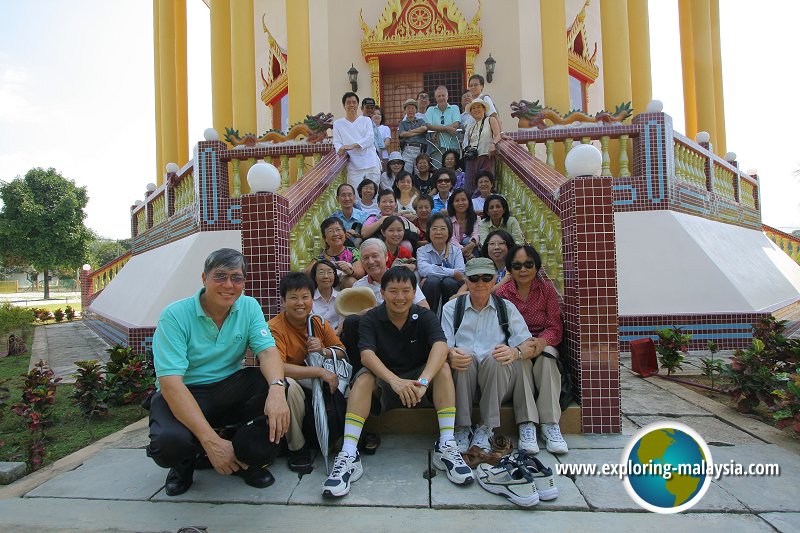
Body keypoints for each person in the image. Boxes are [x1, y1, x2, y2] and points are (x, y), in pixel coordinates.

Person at [146, 248, 290, 496]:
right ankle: (186, 463)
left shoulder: (248, 306)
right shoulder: (175, 316)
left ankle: (245, 459)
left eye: (236, 277)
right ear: (204, 279)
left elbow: (267, 352)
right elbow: (171, 384)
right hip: (185, 391)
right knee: (168, 444)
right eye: (220, 276)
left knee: (265, 383)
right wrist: (210, 440)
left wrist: (278, 389)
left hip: (227, 388)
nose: (228, 285)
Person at [322, 267, 473, 498]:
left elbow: (441, 346)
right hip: (386, 379)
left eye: (406, 291)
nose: (400, 297)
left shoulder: (424, 316)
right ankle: (349, 454)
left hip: (418, 381)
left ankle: (446, 444)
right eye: (393, 291)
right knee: (362, 379)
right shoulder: (371, 318)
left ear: (415, 293)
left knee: (442, 368)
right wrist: (394, 381)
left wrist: (423, 381)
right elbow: (366, 355)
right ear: (382, 292)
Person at [442, 257, 540, 456]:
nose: (480, 283)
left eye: (486, 278)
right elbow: (441, 344)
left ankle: (486, 428)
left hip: (497, 382)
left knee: (497, 357)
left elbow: (528, 343)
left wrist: (515, 352)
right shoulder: (451, 309)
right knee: (463, 356)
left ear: (495, 279)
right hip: (463, 380)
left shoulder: (506, 308)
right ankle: (461, 427)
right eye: (474, 278)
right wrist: (450, 354)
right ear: (466, 281)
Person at [267, 272, 347, 474]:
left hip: (318, 384)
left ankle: (339, 438)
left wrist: (323, 350)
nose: (300, 303)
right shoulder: (275, 327)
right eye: (293, 298)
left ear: (312, 299)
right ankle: (297, 447)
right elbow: (278, 366)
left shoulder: (318, 322)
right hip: (295, 383)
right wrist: (319, 371)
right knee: (289, 387)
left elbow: (342, 352)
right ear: (283, 301)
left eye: (305, 297)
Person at [495, 245, 567, 454]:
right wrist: (521, 347)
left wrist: (541, 343)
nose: (523, 270)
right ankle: (526, 424)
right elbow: (501, 327)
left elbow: (554, 325)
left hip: (544, 343)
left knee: (546, 359)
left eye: (528, 264)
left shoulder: (546, 290)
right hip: (516, 345)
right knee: (520, 362)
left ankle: (550, 424)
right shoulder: (503, 293)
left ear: (536, 266)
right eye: (517, 266)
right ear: (510, 269)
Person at [417, 212, 465, 312]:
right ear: (429, 231)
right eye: (434, 228)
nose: (438, 232)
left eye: (442, 228)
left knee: (448, 282)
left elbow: (460, 272)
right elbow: (423, 269)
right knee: (432, 281)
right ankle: (429, 318)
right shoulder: (422, 251)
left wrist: (434, 271)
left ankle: (450, 317)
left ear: (449, 231)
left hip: (451, 289)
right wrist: (452, 272)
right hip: (431, 288)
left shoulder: (456, 251)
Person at [333, 92, 382, 191]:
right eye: (348, 102)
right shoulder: (338, 124)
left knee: (372, 195)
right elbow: (337, 142)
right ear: (344, 106)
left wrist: (353, 146)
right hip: (354, 166)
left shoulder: (366, 120)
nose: (351, 105)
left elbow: (370, 139)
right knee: (355, 196)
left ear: (358, 105)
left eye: (354, 102)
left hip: (371, 163)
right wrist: (340, 149)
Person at [462, 97, 501, 197]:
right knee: (470, 185)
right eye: (473, 108)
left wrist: (493, 144)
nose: (476, 110)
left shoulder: (490, 120)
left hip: (486, 156)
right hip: (473, 159)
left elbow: (498, 135)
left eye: (478, 107)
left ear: (484, 109)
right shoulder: (471, 127)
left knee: (485, 184)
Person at [311, 217, 365, 289]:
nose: (335, 234)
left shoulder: (353, 252)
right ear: (325, 238)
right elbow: (306, 273)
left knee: (350, 281)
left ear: (345, 234)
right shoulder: (321, 258)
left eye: (338, 230)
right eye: (330, 231)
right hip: (327, 290)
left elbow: (360, 273)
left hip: (349, 291)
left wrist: (350, 271)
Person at [424, 85, 461, 153]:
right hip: (436, 147)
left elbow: (456, 124)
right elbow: (428, 126)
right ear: (435, 98)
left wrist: (437, 131)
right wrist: (446, 128)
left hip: (452, 146)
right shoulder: (430, 110)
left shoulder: (454, 108)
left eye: (443, 95)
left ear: (447, 96)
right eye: (439, 96)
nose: (441, 98)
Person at [448, 188, 480, 261]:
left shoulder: (476, 218)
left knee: (468, 240)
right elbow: (452, 239)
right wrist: (463, 250)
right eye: (457, 200)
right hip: (455, 250)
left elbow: (476, 234)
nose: (460, 203)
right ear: (452, 204)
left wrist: (472, 244)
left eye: (463, 200)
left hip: (471, 248)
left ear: (469, 201)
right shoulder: (448, 220)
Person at [397, 99, 428, 175]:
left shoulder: (420, 121)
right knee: (407, 173)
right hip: (408, 149)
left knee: (419, 172)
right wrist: (417, 132)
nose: (410, 110)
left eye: (412, 108)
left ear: (416, 110)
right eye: (408, 108)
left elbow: (424, 128)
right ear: (405, 111)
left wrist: (410, 132)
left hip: (420, 149)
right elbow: (402, 134)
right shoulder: (402, 123)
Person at [311, 259, 343, 329]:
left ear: (334, 276)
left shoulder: (341, 297)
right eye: (321, 272)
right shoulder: (309, 298)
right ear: (315, 277)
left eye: (329, 272)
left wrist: (336, 333)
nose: (326, 276)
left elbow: (343, 320)